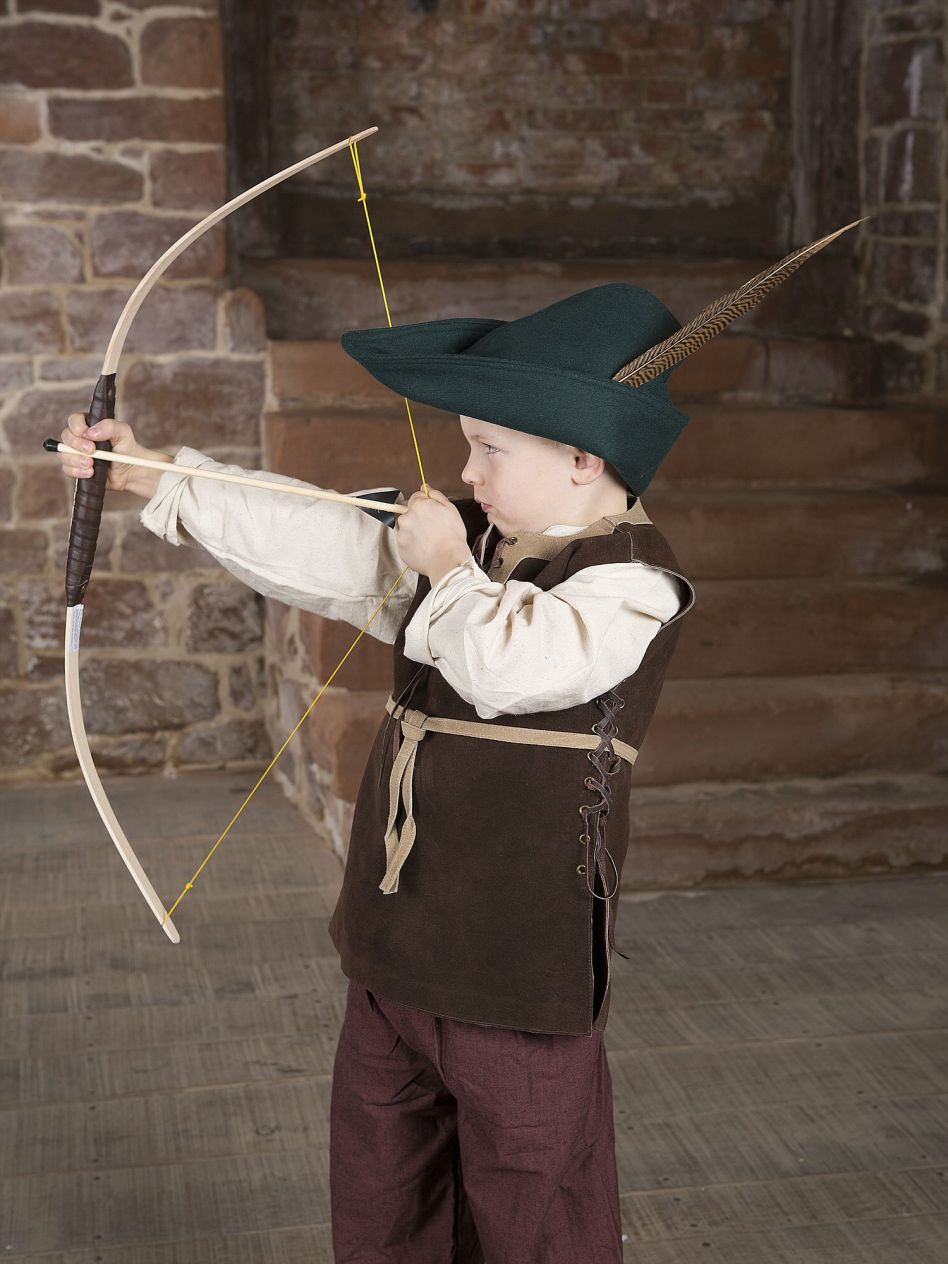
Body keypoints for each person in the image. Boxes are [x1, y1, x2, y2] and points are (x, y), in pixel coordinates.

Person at [57, 281, 724, 1261]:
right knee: (383, 1198)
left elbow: (519, 662)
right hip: (395, 950)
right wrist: (154, 474)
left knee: (534, 1210)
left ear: (585, 458)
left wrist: (449, 569)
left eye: (492, 449)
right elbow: (314, 536)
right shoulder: (463, 543)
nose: (467, 469)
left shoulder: (630, 582)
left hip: (518, 971)